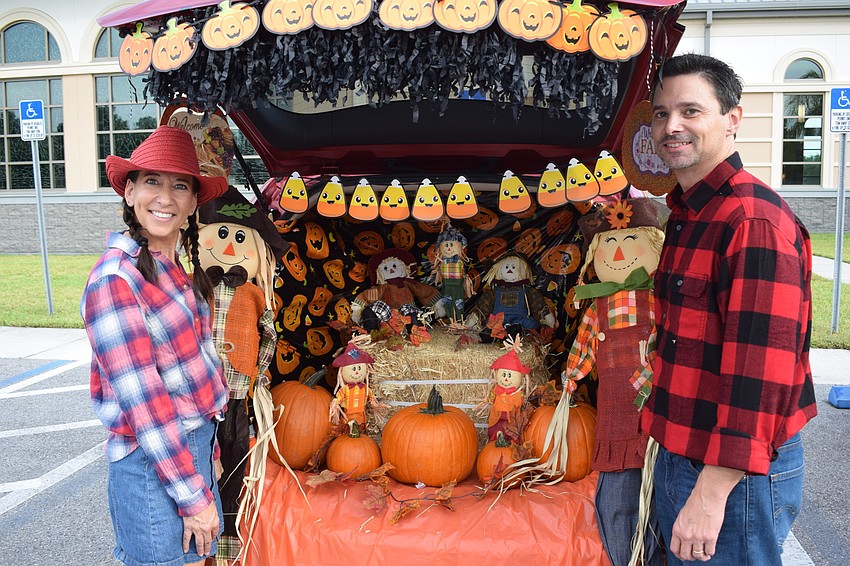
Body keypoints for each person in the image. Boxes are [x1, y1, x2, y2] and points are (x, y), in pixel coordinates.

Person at [641, 53, 818, 564]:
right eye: (660, 112)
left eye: (691, 111)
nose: (672, 126)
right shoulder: (689, 211)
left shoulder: (751, 221)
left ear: (732, 118)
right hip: (687, 454)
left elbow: (760, 373)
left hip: (734, 472)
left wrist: (713, 492)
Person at [81, 125, 229, 566]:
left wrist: (211, 450)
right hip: (154, 466)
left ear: (192, 203)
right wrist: (191, 495)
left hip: (189, 453)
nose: (165, 198)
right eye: (151, 182)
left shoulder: (175, 271)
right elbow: (144, 403)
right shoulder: (115, 280)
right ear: (129, 193)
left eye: (179, 186)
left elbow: (196, 370)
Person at [564, 198, 666, 566]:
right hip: (614, 412)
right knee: (619, 494)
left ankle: (654, 556)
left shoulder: (659, 301)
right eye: (609, 244)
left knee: (658, 491)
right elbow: (583, 349)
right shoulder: (597, 308)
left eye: (629, 242)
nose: (619, 252)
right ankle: (627, 557)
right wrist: (571, 379)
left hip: (655, 410)